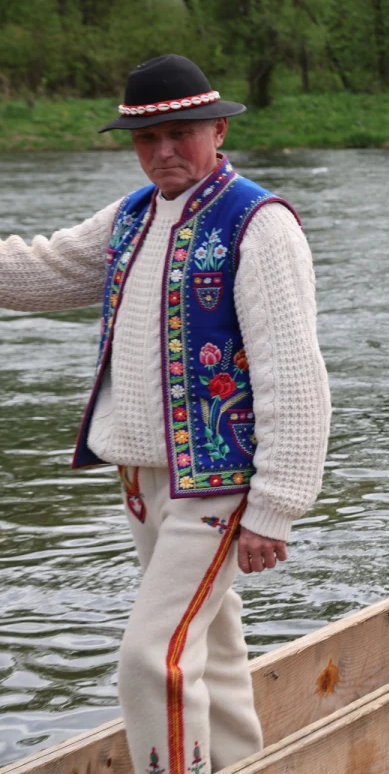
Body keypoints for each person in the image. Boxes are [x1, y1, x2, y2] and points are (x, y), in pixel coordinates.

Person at [0, 55, 331, 772]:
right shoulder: (132, 217)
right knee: (212, 648)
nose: (163, 151)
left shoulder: (259, 224)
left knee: (152, 658)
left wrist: (276, 505)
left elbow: (294, 374)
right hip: (144, 480)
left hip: (218, 481)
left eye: (181, 133)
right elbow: (40, 270)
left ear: (218, 130)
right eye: (146, 138)